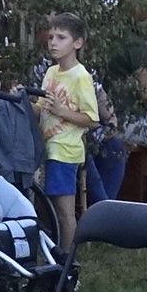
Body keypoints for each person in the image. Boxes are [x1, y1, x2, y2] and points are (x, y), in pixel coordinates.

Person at [34, 14, 96, 253]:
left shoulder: (81, 77)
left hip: (65, 150)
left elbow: (92, 119)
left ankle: (69, 260)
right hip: (47, 147)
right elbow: (41, 109)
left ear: (77, 43)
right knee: (49, 209)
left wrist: (62, 111)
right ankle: (57, 255)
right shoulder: (51, 72)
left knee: (64, 211)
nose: (53, 42)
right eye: (51, 37)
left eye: (61, 37)